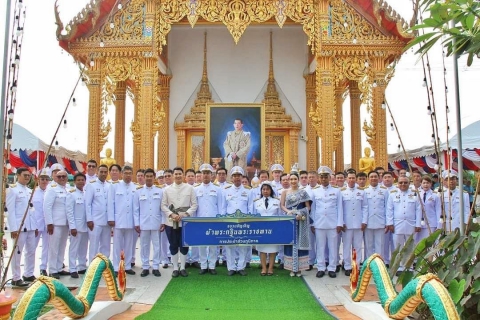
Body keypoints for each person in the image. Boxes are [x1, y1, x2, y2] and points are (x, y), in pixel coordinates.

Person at [161, 167, 198, 278]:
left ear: (183, 175)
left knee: (184, 245)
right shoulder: (167, 190)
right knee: (173, 245)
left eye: (179, 174)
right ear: (173, 175)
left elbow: (194, 205)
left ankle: (182, 267)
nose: (177, 176)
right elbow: (163, 205)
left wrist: (185, 214)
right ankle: (175, 268)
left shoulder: (189, 188)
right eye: (176, 174)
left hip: (185, 222)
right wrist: (171, 214)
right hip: (171, 222)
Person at [6, 167, 37, 286]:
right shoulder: (13, 190)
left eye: (29, 176)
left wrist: (34, 226)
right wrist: (13, 228)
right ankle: (16, 277)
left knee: (31, 251)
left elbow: (32, 210)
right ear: (18, 175)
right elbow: (10, 211)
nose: (27, 177)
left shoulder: (29, 190)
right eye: (25, 175)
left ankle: (28, 274)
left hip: (30, 226)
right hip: (19, 226)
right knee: (17, 252)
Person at [311, 166, 343, 279]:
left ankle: (332, 268)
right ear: (319, 178)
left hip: (332, 223)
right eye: (322, 177)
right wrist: (313, 223)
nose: (324, 179)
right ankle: (321, 267)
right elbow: (313, 209)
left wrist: (340, 223)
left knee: (333, 246)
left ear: (330, 178)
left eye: (326, 177)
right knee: (320, 246)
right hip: (319, 223)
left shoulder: (336, 191)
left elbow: (339, 208)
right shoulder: (315, 191)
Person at [386, 176, 421, 276]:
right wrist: (390, 223)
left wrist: (418, 224)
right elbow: (389, 210)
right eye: (401, 183)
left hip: (411, 224)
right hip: (397, 225)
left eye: (405, 183)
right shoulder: (393, 195)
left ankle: (408, 267)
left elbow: (418, 210)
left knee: (410, 247)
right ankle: (399, 267)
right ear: (397, 184)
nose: (403, 185)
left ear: (409, 183)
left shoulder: (414, 193)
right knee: (398, 247)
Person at [221, 166, 253, 276]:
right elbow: (223, 207)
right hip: (230, 221)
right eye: (234, 176)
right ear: (231, 178)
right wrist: (223, 220)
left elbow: (250, 207)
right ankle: (231, 267)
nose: (237, 178)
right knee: (230, 245)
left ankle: (241, 267)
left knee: (243, 244)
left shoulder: (248, 191)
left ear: (242, 177)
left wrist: (249, 220)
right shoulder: (226, 191)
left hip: (243, 221)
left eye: (239, 176)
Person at [134, 168, 164, 277]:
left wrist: (163, 222)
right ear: (144, 177)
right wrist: (137, 223)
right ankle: (145, 266)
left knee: (156, 245)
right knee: (144, 245)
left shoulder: (160, 191)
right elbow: (136, 209)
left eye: (151, 176)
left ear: (154, 177)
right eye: (147, 176)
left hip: (156, 222)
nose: (149, 178)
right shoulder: (139, 191)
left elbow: (162, 208)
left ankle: (156, 266)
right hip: (144, 223)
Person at [194, 164, 223, 275]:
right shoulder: (196, 189)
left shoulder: (217, 189)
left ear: (212, 175)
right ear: (201, 175)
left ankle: (212, 265)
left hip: (213, 220)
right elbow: (195, 206)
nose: (205, 175)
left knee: (212, 244)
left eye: (208, 173)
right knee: (201, 244)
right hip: (200, 220)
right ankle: (203, 265)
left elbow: (220, 206)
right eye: (204, 173)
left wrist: (220, 220)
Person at [108, 165, 137, 276]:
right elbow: (111, 203)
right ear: (122, 174)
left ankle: (128, 265)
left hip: (130, 221)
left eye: (130, 173)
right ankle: (116, 266)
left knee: (129, 244)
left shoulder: (135, 187)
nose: (128, 175)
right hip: (118, 220)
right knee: (117, 245)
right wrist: (111, 218)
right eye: (126, 173)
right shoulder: (115, 186)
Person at [280, 173, 311, 277]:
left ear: (298, 180)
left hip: (300, 220)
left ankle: (299, 269)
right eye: (291, 179)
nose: (293, 181)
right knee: (290, 242)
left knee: (300, 243)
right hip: (289, 220)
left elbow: (308, 208)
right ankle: (291, 268)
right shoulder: (285, 192)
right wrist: (289, 212)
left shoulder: (303, 192)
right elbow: (282, 205)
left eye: (295, 179)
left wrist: (300, 213)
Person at [44, 170, 70, 279]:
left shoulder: (68, 189)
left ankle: (59, 267)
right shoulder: (52, 189)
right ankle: (52, 270)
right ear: (55, 178)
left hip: (65, 223)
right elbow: (47, 207)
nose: (62, 178)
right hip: (55, 223)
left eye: (64, 176)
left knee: (62, 246)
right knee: (54, 247)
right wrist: (49, 223)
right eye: (59, 177)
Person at [341, 172, 368, 276]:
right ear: (346, 179)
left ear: (355, 179)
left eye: (353, 178)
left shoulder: (361, 192)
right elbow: (340, 208)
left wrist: (364, 221)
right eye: (349, 178)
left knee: (357, 246)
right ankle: (347, 266)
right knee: (346, 246)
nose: (351, 180)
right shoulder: (342, 192)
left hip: (358, 223)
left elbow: (365, 207)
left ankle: (356, 266)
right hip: (346, 224)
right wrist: (341, 222)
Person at [85, 164, 111, 264]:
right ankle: (92, 266)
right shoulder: (92, 185)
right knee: (94, 245)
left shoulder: (109, 186)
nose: (103, 174)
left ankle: (104, 265)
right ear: (97, 172)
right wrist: (89, 220)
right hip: (95, 221)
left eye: (105, 172)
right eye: (101, 172)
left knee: (106, 245)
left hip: (106, 221)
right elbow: (88, 204)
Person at [253, 182, 280, 276]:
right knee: (262, 249)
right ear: (261, 191)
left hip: (274, 228)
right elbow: (254, 216)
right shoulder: (256, 202)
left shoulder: (277, 201)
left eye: (267, 189)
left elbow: (280, 215)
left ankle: (271, 268)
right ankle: (264, 268)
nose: (265, 191)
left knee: (273, 249)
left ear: (271, 191)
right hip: (261, 228)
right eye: (263, 189)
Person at [66, 173, 88, 278]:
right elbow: (69, 211)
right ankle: (72, 268)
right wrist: (72, 227)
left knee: (83, 247)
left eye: (82, 180)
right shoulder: (71, 194)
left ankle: (82, 266)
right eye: (78, 180)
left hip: (85, 226)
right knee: (74, 248)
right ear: (74, 182)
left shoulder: (86, 193)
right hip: (76, 226)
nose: (81, 182)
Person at [363, 171, 388, 260]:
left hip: (380, 221)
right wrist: (363, 221)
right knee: (368, 245)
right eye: (371, 177)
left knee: (380, 245)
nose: (373, 178)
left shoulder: (384, 191)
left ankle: (379, 264)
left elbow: (387, 207)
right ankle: (369, 265)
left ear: (379, 178)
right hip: (368, 222)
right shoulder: (364, 191)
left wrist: (387, 222)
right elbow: (363, 207)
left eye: (375, 176)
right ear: (368, 179)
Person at [32, 168, 50, 276]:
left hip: (48, 224)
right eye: (42, 179)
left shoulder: (50, 192)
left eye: (46, 179)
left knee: (46, 247)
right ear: (38, 180)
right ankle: (29, 270)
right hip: (36, 224)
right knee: (32, 247)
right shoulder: (33, 192)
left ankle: (43, 267)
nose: (44, 181)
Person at [416, 175, 441, 243]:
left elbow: (438, 210)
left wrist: (439, 225)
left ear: (431, 184)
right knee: (419, 244)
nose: (425, 185)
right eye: (424, 183)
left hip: (431, 223)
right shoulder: (417, 194)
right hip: (419, 224)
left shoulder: (435, 195)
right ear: (421, 184)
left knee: (430, 243)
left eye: (427, 183)